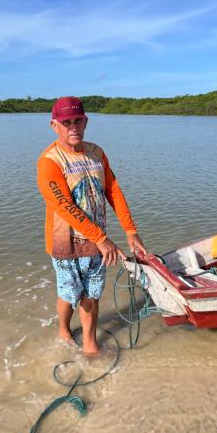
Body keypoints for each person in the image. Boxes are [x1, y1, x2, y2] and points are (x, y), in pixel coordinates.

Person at [37, 96, 146, 355]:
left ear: (86, 121)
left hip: (98, 242)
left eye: (78, 121)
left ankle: (90, 343)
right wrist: (101, 238)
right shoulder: (49, 161)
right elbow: (66, 207)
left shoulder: (97, 153)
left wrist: (131, 231)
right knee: (69, 292)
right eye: (66, 122)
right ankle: (63, 329)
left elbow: (114, 191)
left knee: (93, 293)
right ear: (54, 125)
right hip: (65, 242)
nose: (73, 127)